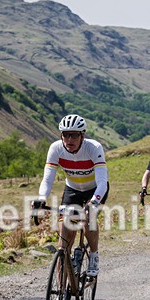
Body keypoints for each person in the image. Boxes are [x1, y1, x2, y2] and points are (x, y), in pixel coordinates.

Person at [35, 114, 108, 276]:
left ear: (82, 135)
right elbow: (47, 179)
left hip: (94, 189)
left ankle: (94, 256)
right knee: (64, 237)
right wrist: (41, 198)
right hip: (73, 189)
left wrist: (93, 202)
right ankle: (61, 285)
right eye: (66, 134)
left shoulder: (93, 148)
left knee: (88, 219)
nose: (69, 139)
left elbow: (102, 181)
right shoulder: (56, 148)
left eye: (74, 135)